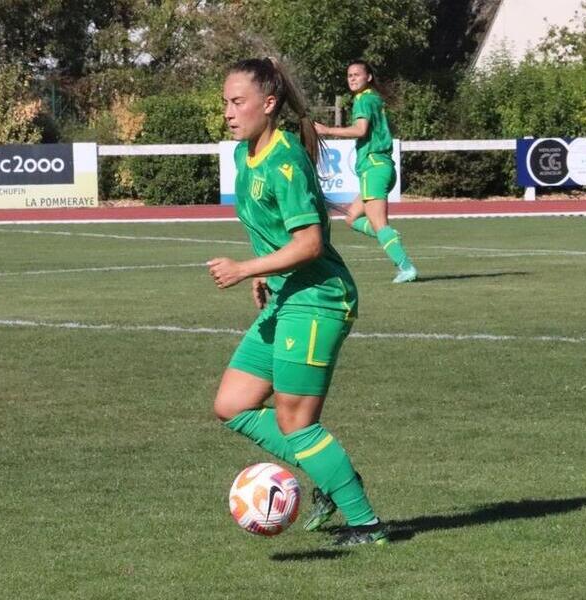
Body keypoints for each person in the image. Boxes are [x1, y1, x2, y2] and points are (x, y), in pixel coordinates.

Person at [208, 57, 387, 546]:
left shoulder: (285, 158)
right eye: (225, 101)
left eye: (237, 101)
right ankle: (329, 475)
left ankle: (366, 525)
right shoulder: (247, 156)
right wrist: (265, 270)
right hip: (286, 296)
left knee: (295, 421)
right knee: (232, 404)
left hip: (319, 300)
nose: (228, 111)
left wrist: (246, 267)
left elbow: (309, 243)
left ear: (268, 104)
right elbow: (280, 239)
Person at [314, 60, 418, 283]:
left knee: (379, 224)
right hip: (381, 167)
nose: (352, 78)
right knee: (351, 218)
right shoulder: (373, 98)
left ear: (368, 77)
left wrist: (327, 130)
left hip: (374, 167)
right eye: (349, 75)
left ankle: (406, 267)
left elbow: (361, 130)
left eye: (357, 74)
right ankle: (389, 236)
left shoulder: (363, 99)